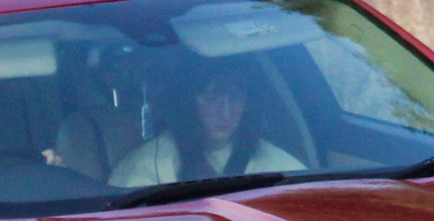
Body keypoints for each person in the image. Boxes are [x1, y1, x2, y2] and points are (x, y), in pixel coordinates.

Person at [107, 65, 301, 188]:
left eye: (235, 98)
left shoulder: (274, 161)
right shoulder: (150, 165)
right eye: (210, 98)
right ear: (187, 103)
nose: (225, 112)